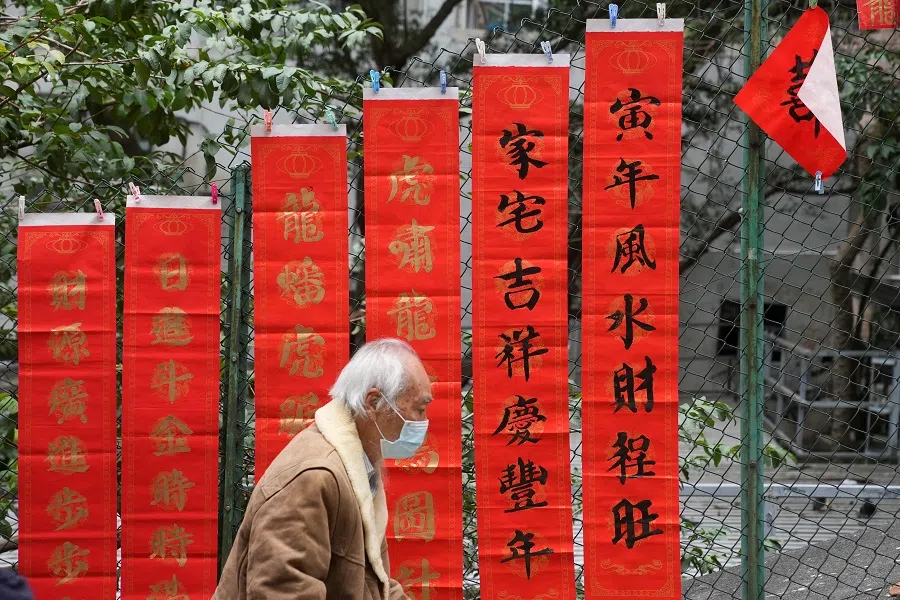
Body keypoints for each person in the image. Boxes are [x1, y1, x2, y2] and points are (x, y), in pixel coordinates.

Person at [214, 338, 430, 600]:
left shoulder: (356, 464)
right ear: (374, 403)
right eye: (419, 409)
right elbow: (283, 591)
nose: (423, 422)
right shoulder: (315, 476)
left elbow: (374, 584)